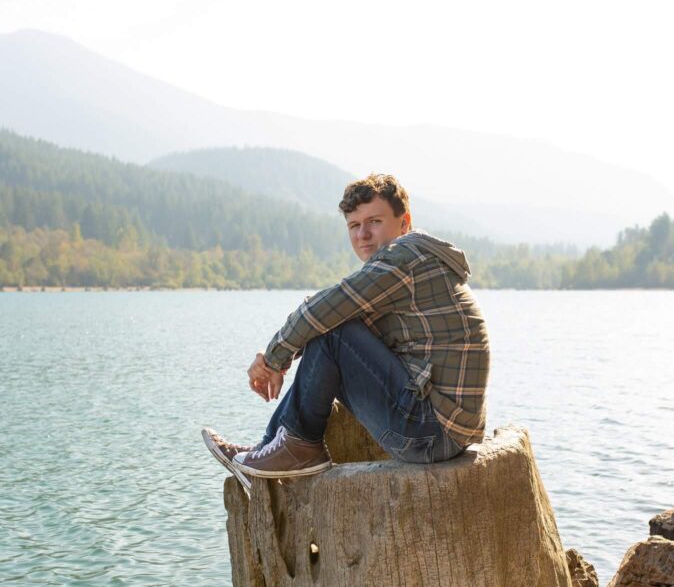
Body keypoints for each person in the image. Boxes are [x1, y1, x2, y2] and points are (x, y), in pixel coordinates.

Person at [202, 173, 490, 481]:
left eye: (374, 222)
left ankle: (297, 448)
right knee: (332, 328)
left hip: (432, 434)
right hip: (442, 430)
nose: (363, 234)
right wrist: (282, 355)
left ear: (404, 222)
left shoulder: (405, 260)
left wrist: (274, 359)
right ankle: (273, 446)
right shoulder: (407, 264)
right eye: (354, 225)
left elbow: (325, 311)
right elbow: (331, 315)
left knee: (333, 331)